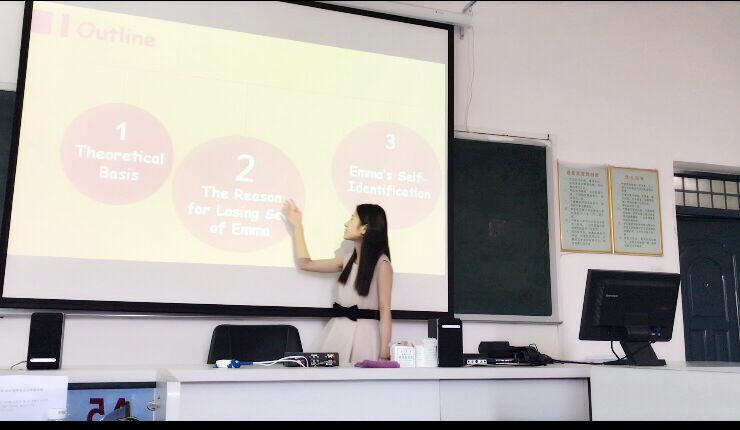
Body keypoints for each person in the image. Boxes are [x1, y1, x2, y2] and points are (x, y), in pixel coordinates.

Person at [282, 200, 393, 364]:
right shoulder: (346, 260)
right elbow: (306, 264)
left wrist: (384, 353)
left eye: (352, 218)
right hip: (338, 332)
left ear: (364, 228)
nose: (346, 224)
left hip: (365, 336)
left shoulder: (382, 264)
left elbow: (385, 309)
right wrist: (297, 226)